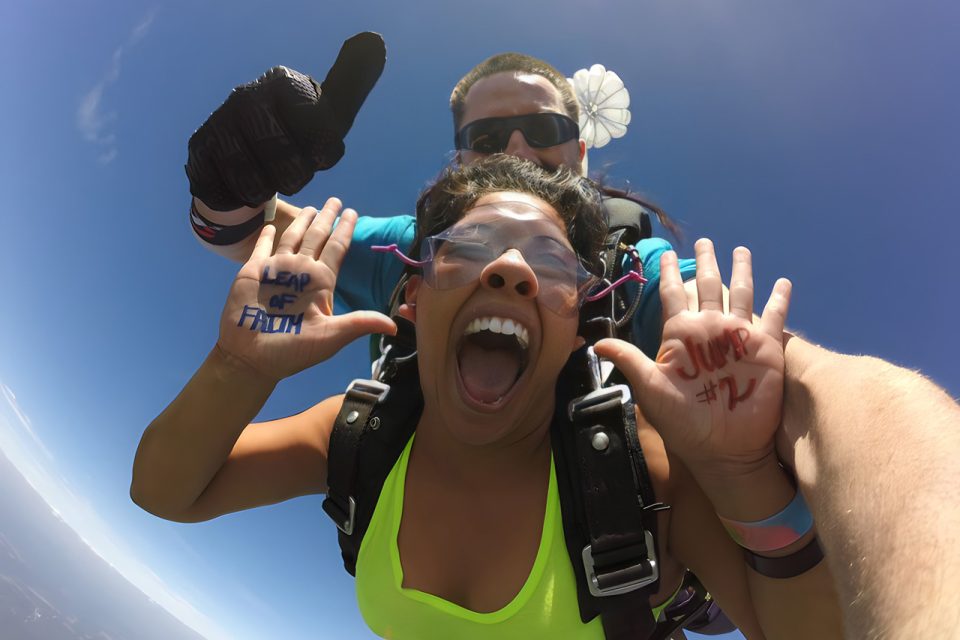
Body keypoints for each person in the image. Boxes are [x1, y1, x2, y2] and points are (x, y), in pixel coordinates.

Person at [182, 42, 960, 639]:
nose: (517, 152)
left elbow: (836, 398)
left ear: (580, 151)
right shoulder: (421, 247)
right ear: (459, 160)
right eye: (488, 135)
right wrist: (230, 184)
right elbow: (262, 242)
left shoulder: (639, 277)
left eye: (545, 129)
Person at [134, 155, 842, 639]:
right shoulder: (360, 435)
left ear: (575, 330)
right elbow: (164, 493)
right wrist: (238, 366)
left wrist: (743, 473)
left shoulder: (638, 478)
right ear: (411, 296)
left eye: (550, 262)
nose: (509, 269)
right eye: (470, 247)